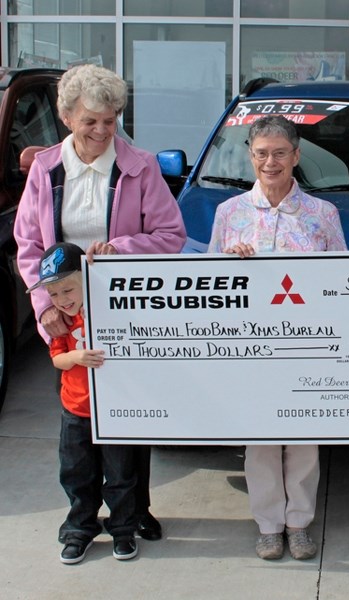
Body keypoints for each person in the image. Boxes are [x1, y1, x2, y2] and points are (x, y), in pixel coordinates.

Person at [14, 63, 186, 544]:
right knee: (78, 423)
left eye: (110, 120)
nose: (100, 130)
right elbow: (28, 245)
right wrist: (42, 304)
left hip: (126, 315)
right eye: (90, 120)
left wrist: (123, 248)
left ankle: (135, 510)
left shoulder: (140, 164)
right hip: (66, 314)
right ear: (67, 116)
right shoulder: (46, 168)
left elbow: (171, 235)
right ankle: (83, 516)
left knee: (133, 417)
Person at [208, 115, 346, 561]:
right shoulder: (228, 214)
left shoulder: (323, 215)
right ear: (250, 155)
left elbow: (342, 280)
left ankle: (299, 523)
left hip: (306, 348)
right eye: (262, 153)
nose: (271, 161)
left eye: (280, 153)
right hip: (252, 351)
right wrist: (231, 262)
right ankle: (268, 525)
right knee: (261, 441)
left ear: (296, 156)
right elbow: (208, 283)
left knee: (304, 442)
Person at [28, 242, 139, 564]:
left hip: (115, 410)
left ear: (87, 280)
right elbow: (56, 359)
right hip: (75, 411)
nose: (62, 301)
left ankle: (122, 530)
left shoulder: (111, 309)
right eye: (54, 295)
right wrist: (74, 356)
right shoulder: (62, 322)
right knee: (77, 473)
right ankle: (80, 529)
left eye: (68, 290)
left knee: (120, 476)